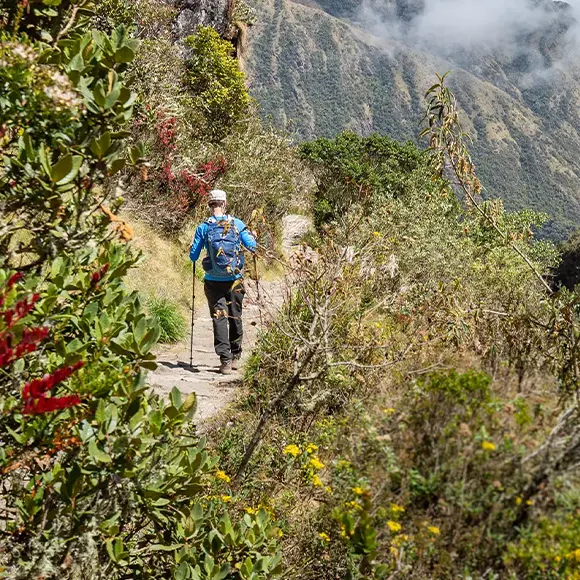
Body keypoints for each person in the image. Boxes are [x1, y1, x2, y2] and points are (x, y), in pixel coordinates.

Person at [189, 189, 257, 375]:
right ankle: (236, 357)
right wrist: (253, 237)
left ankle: (225, 361)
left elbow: (193, 256)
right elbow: (252, 247)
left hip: (213, 281)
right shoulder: (237, 224)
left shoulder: (204, 227)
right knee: (235, 316)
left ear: (210, 205)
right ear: (224, 204)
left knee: (219, 318)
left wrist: (195, 247)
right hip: (235, 280)